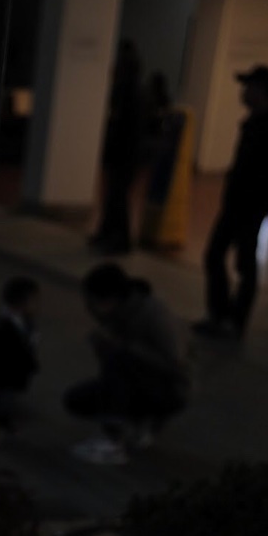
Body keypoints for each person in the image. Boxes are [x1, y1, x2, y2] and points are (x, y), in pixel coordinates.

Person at [65, 262, 190, 465]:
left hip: (171, 390)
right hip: (141, 381)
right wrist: (103, 347)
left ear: (109, 300)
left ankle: (114, 441)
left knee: (120, 357)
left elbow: (176, 365)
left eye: (92, 302)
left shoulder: (154, 314)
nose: (89, 309)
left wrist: (124, 347)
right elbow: (112, 373)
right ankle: (135, 423)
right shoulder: (117, 315)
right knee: (76, 399)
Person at [194, 64, 268, 338]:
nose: (243, 92)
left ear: (261, 90)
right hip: (236, 203)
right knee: (216, 255)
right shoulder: (253, 122)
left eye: (248, 86)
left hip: (252, 205)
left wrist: (264, 203)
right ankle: (221, 315)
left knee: (243, 263)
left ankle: (233, 321)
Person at [90, 39, 143, 254]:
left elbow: (127, 128)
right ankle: (108, 233)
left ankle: (120, 238)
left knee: (117, 196)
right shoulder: (127, 92)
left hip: (125, 154)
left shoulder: (130, 95)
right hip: (123, 154)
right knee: (113, 195)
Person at [0, 275, 40, 437]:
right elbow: (11, 352)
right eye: (34, 301)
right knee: (2, 401)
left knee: (8, 400)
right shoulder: (6, 324)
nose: (37, 305)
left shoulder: (24, 320)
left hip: (15, 374)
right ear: (22, 302)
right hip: (7, 374)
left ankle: (3, 422)